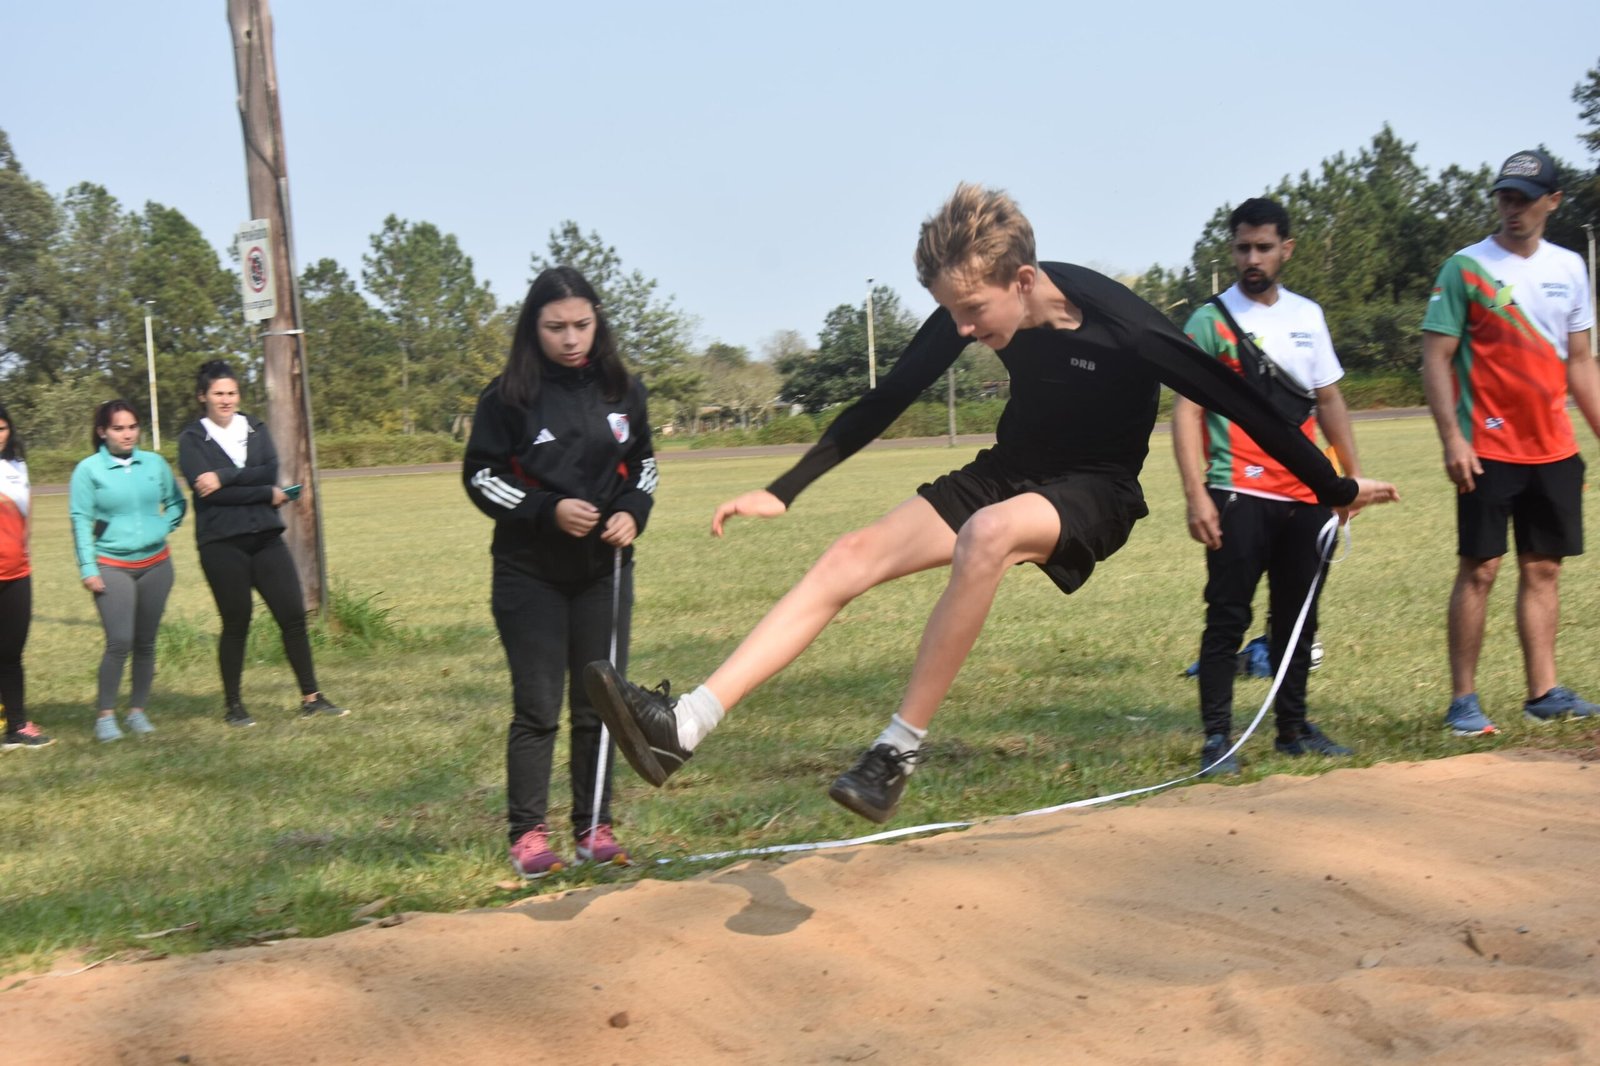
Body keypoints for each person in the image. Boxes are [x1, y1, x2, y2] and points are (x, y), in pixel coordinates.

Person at [586, 183, 1397, 825]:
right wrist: (783, 488)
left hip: (1095, 492)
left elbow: (1242, 400)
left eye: (972, 311)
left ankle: (895, 753)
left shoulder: (1127, 328)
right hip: (1011, 467)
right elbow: (888, 397)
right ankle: (683, 726)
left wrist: (1334, 487)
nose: (963, 328)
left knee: (987, 535)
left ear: (1025, 279)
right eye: (950, 311)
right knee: (849, 557)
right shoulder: (969, 307)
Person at [463, 266, 657, 878]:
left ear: (597, 324)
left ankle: (594, 828)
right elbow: (481, 476)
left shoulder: (622, 389)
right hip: (529, 576)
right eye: (555, 327)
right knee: (539, 707)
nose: (571, 339)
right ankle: (528, 834)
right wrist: (547, 509)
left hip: (606, 573)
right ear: (533, 328)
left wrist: (633, 511)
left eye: (581, 325)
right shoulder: (507, 397)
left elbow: (645, 463)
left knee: (600, 703)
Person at [1174, 197, 1361, 776]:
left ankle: (1293, 729)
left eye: (1262, 247)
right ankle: (1217, 739)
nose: (1251, 258)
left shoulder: (1308, 316)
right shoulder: (1209, 322)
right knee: (1228, 615)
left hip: (1305, 495)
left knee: (1297, 618)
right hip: (1237, 490)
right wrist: (1195, 494)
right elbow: (1185, 412)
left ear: (1286, 249)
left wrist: (1345, 484)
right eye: (1242, 248)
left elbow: (1329, 400)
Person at [1421, 148, 1599, 736]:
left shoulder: (1571, 268)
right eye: (1505, 197)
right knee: (1481, 569)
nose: (1512, 209)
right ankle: (1463, 701)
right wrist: (1452, 438)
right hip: (1486, 448)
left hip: (1552, 449)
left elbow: (1580, 362)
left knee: (1543, 568)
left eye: (1524, 198)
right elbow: (1436, 358)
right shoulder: (1464, 268)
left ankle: (1543, 691)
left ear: (1553, 201)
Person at [177, 360, 345, 727]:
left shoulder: (254, 427)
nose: (226, 400)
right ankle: (234, 706)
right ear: (202, 396)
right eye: (218, 393)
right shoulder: (192, 439)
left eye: (231, 392)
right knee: (237, 622)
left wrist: (225, 476)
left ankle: (312, 697)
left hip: (267, 539)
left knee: (293, 616)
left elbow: (269, 470)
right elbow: (208, 496)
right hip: (222, 544)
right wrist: (262, 493)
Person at [69, 400, 186, 742]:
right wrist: (88, 568)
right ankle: (105, 717)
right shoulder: (88, 470)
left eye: (132, 427)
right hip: (111, 566)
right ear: (102, 432)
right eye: (118, 428)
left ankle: (137, 712)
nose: (127, 434)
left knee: (146, 642)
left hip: (157, 566)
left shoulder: (154, 464)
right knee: (119, 641)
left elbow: (178, 502)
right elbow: (80, 520)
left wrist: (162, 526)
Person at [0, 404, 52, 749]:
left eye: (2, 428)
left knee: (11, 653)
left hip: (17, 572)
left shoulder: (18, 467)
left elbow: (27, 516)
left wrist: (25, 550)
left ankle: (16, 726)